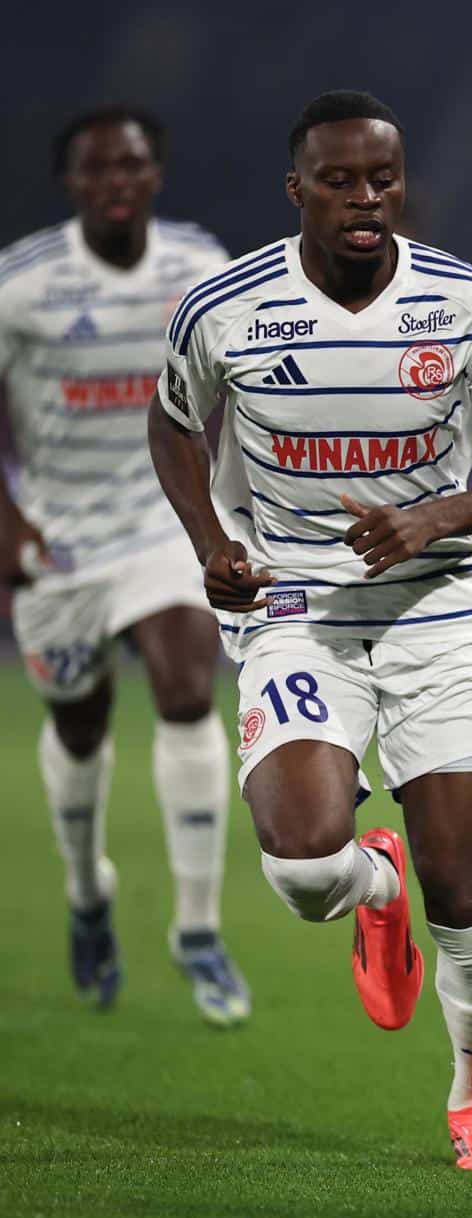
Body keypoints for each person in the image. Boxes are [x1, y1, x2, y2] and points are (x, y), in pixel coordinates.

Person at [146, 90, 472, 1172]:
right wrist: (211, 542)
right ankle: (370, 884)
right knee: (300, 869)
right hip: (298, 614)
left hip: (441, 611)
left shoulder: (462, 303)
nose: (366, 196)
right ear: (299, 191)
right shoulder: (228, 308)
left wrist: (431, 515)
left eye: (381, 176)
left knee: (466, 892)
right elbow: (174, 419)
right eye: (340, 179)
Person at [0, 105, 247, 1025]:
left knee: (187, 688)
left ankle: (198, 930)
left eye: (134, 166)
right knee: (80, 724)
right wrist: (9, 523)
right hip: (59, 541)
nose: (118, 181)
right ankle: (86, 893)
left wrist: (236, 506)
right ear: (71, 183)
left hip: (163, 523)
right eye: (99, 168)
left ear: (155, 175)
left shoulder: (198, 267)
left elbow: (250, 381)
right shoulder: (23, 283)